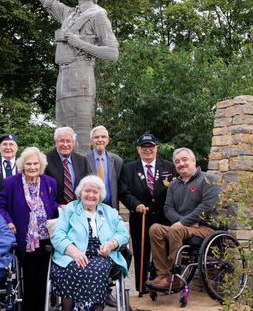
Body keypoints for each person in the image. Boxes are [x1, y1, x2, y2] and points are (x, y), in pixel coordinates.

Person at [34, 0, 119, 153]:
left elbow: (112, 53)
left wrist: (79, 43)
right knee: (62, 133)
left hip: (82, 77)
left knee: (80, 140)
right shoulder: (68, 14)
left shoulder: (98, 14)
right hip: (63, 75)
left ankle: (82, 179)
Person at [50, 175, 129, 311]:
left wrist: (111, 244)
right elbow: (57, 234)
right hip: (73, 252)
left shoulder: (109, 212)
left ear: (100, 195)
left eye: (95, 192)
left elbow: (123, 234)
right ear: (80, 192)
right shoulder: (70, 209)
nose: (91, 195)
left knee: (97, 270)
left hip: (102, 253)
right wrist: (73, 251)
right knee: (71, 268)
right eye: (87, 191)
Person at [0, 147, 60, 311]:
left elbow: (50, 204)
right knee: (29, 277)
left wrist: (60, 208)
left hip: (45, 238)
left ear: (41, 165)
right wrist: (8, 222)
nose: (32, 167)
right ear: (22, 165)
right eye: (28, 163)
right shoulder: (11, 183)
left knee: (44, 277)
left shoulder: (49, 182)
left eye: (35, 163)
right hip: (25, 238)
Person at [146, 148, 221, 291]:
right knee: (155, 228)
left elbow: (207, 206)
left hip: (206, 228)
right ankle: (162, 275)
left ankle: (173, 278)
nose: (181, 164)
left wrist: (183, 223)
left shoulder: (208, 179)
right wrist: (183, 221)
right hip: (183, 227)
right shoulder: (174, 185)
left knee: (176, 228)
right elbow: (168, 209)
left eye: (184, 159)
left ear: (193, 160)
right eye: (177, 162)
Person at [118, 133, 175, 295]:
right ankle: (143, 287)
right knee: (142, 253)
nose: (147, 150)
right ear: (138, 149)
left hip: (163, 219)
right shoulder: (129, 169)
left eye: (151, 147)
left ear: (156, 148)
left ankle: (163, 286)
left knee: (162, 252)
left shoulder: (168, 167)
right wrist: (135, 204)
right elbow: (123, 192)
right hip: (140, 218)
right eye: (144, 147)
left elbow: (175, 189)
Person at [45, 126, 92, 204]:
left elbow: (88, 184)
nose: (65, 144)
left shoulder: (82, 160)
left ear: (73, 143)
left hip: (78, 209)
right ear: (56, 142)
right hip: (55, 210)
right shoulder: (45, 160)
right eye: (61, 141)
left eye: (68, 141)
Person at [84, 125, 123, 209]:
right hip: (89, 207)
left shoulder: (117, 161)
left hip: (111, 207)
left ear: (108, 140)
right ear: (91, 141)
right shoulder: (83, 159)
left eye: (103, 137)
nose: (100, 140)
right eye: (96, 137)